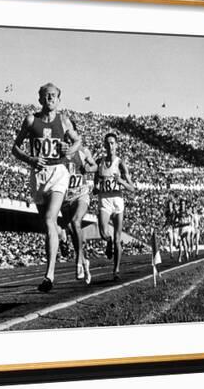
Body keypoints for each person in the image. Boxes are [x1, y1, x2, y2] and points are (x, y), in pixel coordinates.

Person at [12, 82, 81, 292]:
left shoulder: (64, 120)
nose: (50, 98)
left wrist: (68, 149)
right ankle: (61, 233)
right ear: (40, 99)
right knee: (47, 223)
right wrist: (30, 159)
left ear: (59, 100)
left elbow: (78, 141)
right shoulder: (32, 120)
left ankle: (49, 275)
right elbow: (15, 148)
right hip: (38, 176)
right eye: (46, 95)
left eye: (54, 95)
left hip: (58, 173)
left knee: (50, 218)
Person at [94, 132, 135, 281]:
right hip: (104, 199)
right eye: (108, 143)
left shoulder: (121, 163)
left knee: (118, 238)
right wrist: (95, 188)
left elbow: (132, 188)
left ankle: (116, 270)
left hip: (117, 200)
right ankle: (108, 241)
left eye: (112, 143)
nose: (110, 146)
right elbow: (95, 182)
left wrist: (122, 181)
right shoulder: (99, 162)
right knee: (103, 232)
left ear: (116, 145)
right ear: (104, 145)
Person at [60, 122, 98, 284]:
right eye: (65, 133)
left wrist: (88, 169)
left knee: (76, 222)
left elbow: (95, 166)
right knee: (72, 230)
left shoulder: (83, 151)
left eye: (70, 133)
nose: (67, 136)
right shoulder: (59, 150)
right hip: (66, 198)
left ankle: (78, 261)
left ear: (75, 133)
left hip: (81, 194)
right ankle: (84, 261)